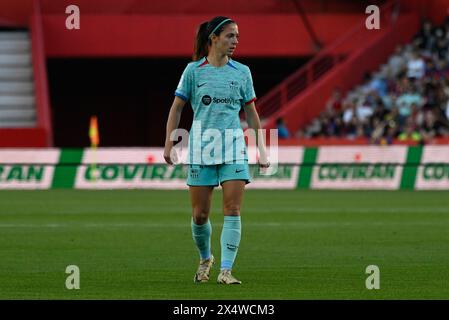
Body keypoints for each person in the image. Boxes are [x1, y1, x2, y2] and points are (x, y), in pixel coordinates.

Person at [163, 16, 269, 285]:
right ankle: (205, 258)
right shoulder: (193, 71)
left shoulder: (242, 72)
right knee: (200, 215)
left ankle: (226, 270)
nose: (235, 41)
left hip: (234, 148)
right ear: (214, 38)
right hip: (201, 149)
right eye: (230, 36)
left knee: (232, 209)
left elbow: (251, 112)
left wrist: (263, 149)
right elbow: (177, 108)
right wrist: (169, 142)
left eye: (237, 37)